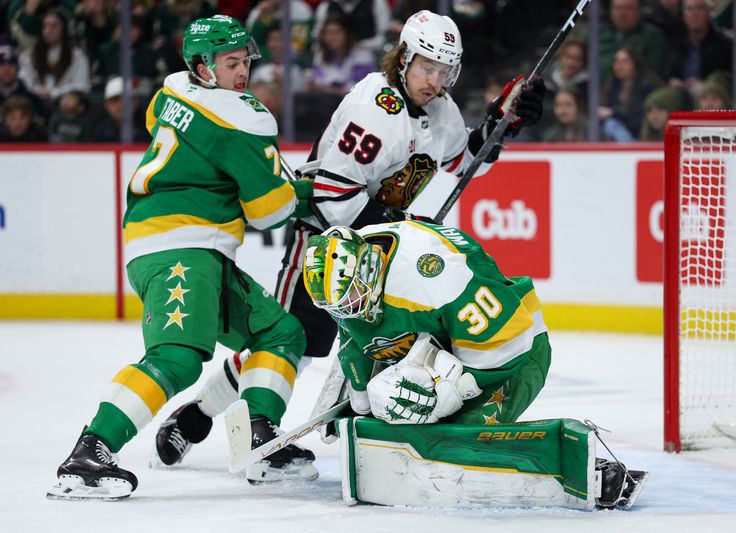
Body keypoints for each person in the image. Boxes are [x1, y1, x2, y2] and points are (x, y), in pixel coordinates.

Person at [152, 9, 545, 471]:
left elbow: (463, 162)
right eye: (426, 67)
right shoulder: (373, 106)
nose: (434, 81)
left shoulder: (441, 111)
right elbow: (333, 193)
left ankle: (207, 419)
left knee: (350, 348)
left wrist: (503, 121)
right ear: (403, 59)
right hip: (323, 241)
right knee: (288, 342)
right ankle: (223, 424)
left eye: (444, 72)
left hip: (376, 252)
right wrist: (402, 229)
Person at [47, 14, 312, 501]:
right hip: (181, 248)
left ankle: (258, 439)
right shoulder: (243, 116)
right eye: (230, 62)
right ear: (202, 65)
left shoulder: (169, 92)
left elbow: (180, 135)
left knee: (281, 331)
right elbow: (271, 212)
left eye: (244, 61)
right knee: (177, 358)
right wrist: (302, 189)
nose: (242, 72)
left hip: (185, 245)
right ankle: (90, 451)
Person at [302, 221, 551, 427]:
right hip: (445, 342)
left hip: (514, 350)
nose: (347, 310)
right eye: (337, 307)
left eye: (351, 298)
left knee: (455, 450)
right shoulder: (351, 265)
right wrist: (359, 386)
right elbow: (352, 329)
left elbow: (510, 336)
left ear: (369, 268)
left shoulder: (432, 278)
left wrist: (456, 389)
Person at [16, 8, 90, 102]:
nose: (48, 31)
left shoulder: (77, 56)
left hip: (65, 102)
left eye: (54, 26)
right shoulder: (29, 55)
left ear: (64, 29)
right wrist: (37, 91)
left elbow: (82, 85)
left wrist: (54, 93)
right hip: (35, 101)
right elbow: (24, 82)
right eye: (45, 26)